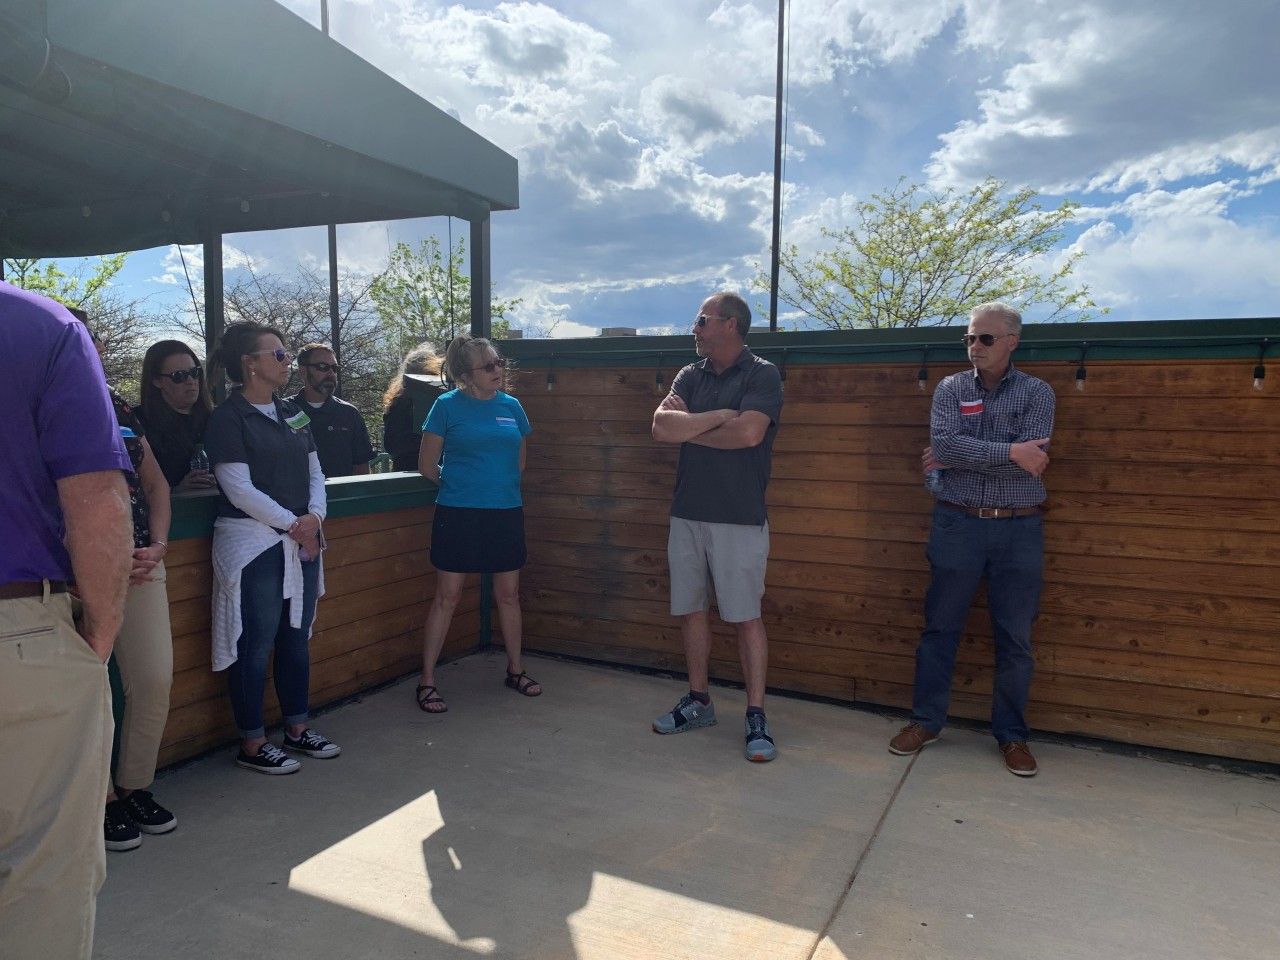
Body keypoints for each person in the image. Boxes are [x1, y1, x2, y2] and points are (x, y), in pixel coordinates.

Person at [0, 283, 133, 960]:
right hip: (21, 633)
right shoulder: (40, 325)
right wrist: (98, 642)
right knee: (43, 878)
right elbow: (97, 499)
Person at [888, 301, 1055, 777]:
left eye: (984, 338)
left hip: (1019, 527)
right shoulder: (950, 388)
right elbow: (944, 444)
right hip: (957, 523)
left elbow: (1035, 457)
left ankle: (1012, 736)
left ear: (1011, 342)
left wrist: (965, 455)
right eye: (969, 338)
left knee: (1015, 636)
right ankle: (926, 722)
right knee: (940, 627)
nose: (974, 347)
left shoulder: (1038, 393)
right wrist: (1009, 451)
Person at [650, 292, 784, 763]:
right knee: (691, 609)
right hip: (687, 512)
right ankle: (699, 701)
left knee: (746, 615)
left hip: (739, 517)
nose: (695, 327)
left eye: (702, 320)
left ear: (730, 324)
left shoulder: (762, 373)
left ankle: (755, 714)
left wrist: (691, 428)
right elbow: (661, 429)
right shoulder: (691, 373)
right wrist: (717, 419)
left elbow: (750, 435)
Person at [204, 322, 338, 774]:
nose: (286, 361)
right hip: (255, 544)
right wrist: (292, 524)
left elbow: (315, 471)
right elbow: (236, 487)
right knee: (255, 642)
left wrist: (314, 518)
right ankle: (253, 743)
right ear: (251, 364)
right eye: (278, 354)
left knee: (295, 638)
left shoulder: (293, 414)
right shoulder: (228, 417)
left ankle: (297, 729)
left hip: (300, 539)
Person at [72, 312, 179, 851]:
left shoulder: (118, 406)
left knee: (155, 678)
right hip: (65, 577)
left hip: (140, 565)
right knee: (84, 690)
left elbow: (155, 484)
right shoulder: (26, 402)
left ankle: (133, 784)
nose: (85, 347)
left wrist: (157, 544)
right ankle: (100, 800)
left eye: (89, 338)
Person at [414, 336, 540, 713]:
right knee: (448, 597)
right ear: (465, 375)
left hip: (505, 511)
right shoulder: (445, 406)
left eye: (500, 362)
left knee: (509, 595)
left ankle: (515, 670)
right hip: (458, 513)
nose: (499, 370)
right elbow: (426, 465)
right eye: (489, 366)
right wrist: (461, 486)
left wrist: (494, 488)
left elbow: (519, 462)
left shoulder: (513, 407)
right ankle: (427, 680)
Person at [137, 339, 216, 491]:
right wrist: (177, 489)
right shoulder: (138, 424)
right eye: (179, 376)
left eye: (195, 373)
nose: (191, 381)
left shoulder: (217, 419)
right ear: (156, 381)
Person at [289, 342, 374, 478]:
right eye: (323, 367)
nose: (330, 373)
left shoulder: (349, 413)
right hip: (298, 497)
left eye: (334, 368)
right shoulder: (286, 411)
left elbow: (362, 467)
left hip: (341, 496)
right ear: (303, 371)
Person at [383, 342, 445, 471]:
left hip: (410, 473)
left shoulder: (397, 403)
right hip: (413, 472)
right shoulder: (399, 404)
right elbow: (394, 445)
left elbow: (390, 445)